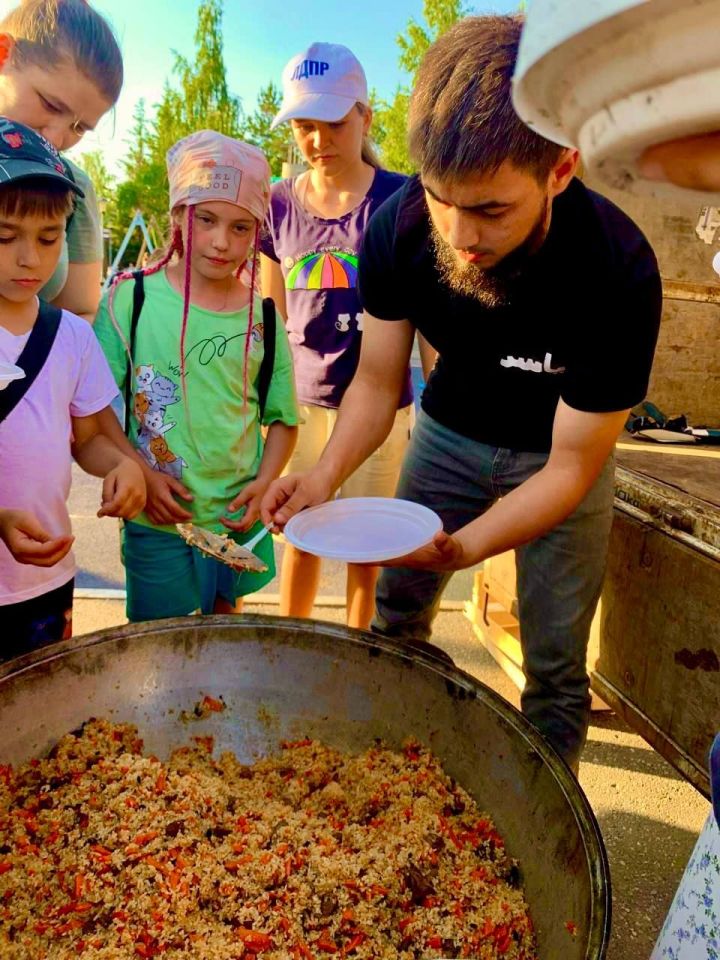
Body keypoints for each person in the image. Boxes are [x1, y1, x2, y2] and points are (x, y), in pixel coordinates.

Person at [262, 14, 662, 769]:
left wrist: (465, 547)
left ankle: (551, 823)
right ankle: (384, 770)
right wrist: (320, 478)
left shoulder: (618, 269)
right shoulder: (399, 226)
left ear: (561, 169)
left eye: (490, 210)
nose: (460, 233)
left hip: (557, 454)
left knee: (553, 661)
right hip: (446, 434)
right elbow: (379, 382)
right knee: (398, 612)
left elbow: (573, 469)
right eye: (443, 198)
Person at [94, 131, 299, 622]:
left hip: (236, 521)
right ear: (177, 215)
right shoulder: (129, 302)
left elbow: (284, 420)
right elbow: (95, 414)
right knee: (160, 649)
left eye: (241, 227)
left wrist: (266, 482)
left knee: (222, 643)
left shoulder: (263, 318)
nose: (221, 242)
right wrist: (141, 474)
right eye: (205, 219)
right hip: (157, 522)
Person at [260, 42, 410, 630]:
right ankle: (292, 643)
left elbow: (418, 315)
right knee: (299, 534)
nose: (318, 140)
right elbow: (273, 316)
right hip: (300, 407)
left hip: (380, 411)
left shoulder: (399, 199)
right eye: (303, 126)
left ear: (365, 117)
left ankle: (358, 653)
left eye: (332, 122)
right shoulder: (277, 203)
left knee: (366, 548)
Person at [0, 119, 145, 656]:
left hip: (46, 579)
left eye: (48, 237)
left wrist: (122, 465)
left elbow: (90, 438)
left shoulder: (72, 337)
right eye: (5, 236)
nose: (29, 257)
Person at [0, 0, 124, 322]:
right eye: (50, 105)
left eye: (79, 127)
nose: (56, 139)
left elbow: (79, 312)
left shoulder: (72, 184)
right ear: (3, 54)